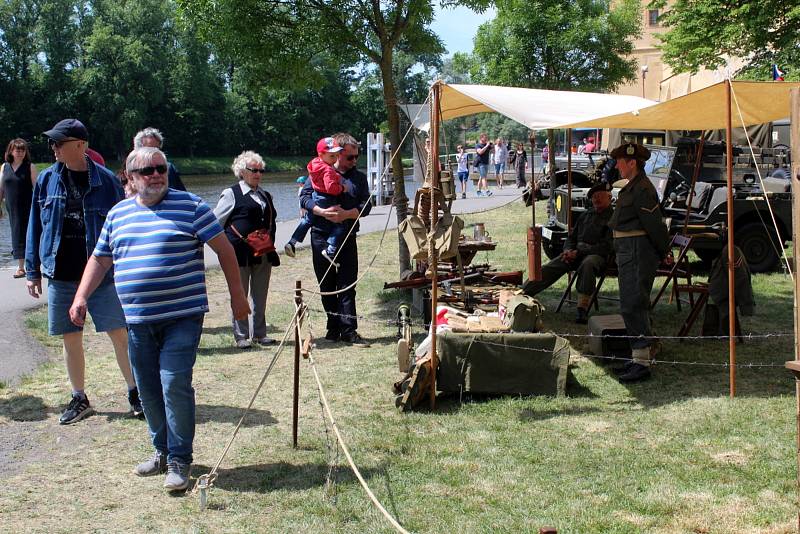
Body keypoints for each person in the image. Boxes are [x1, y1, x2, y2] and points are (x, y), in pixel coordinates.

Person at [68, 146, 249, 492]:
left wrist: (238, 296)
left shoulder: (192, 206)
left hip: (182, 316)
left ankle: (180, 459)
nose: (156, 174)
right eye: (147, 170)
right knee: (148, 390)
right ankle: (162, 451)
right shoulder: (118, 214)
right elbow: (100, 259)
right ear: (131, 178)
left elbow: (224, 249)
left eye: (160, 168)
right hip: (137, 320)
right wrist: (80, 297)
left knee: (173, 383)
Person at [26, 118, 140, 424]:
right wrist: (32, 270)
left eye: (58, 143)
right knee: (69, 337)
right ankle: (79, 397)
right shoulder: (47, 180)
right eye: (52, 143)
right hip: (60, 275)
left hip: (102, 277)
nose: (53, 148)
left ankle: (136, 393)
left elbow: (124, 228)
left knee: (119, 334)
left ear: (80, 145)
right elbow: (35, 225)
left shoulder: (107, 182)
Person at [299, 132, 371, 346]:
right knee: (327, 285)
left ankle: (349, 331)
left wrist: (347, 214)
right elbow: (304, 198)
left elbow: (366, 205)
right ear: (337, 154)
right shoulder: (318, 172)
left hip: (347, 236)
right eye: (350, 157)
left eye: (357, 156)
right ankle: (333, 328)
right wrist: (320, 211)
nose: (354, 161)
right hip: (320, 236)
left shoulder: (358, 177)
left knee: (348, 285)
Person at [608, 142, 671, 383]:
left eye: (620, 161)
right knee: (630, 303)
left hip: (636, 252)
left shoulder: (642, 189)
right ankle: (638, 356)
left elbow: (654, 224)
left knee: (633, 304)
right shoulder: (632, 187)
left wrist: (664, 250)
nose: (616, 165)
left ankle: (642, 361)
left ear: (632, 162)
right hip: (628, 251)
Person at [213, 151, 279, 349]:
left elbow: (272, 220)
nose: (258, 174)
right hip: (238, 254)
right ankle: (241, 336)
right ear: (242, 171)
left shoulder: (265, 195)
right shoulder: (231, 194)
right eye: (253, 170)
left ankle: (260, 334)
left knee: (260, 295)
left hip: (263, 252)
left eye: (260, 170)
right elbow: (215, 222)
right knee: (239, 294)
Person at [521, 183, 614, 324]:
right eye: (594, 197)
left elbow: (607, 246)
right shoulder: (586, 215)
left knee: (588, 264)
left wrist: (579, 252)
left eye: (600, 196)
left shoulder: (613, 218)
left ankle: (582, 309)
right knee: (553, 265)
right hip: (576, 254)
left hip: (599, 256)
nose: (596, 199)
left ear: (609, 197)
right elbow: (571, 237)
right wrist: (567, 251)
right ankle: (523, 293)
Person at [285, 137, 347, 261]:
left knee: (307, 220)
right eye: (331, 156)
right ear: (321, 154)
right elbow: (330, 188)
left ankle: (292, 241)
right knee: (340, 226)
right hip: (327, 199)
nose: (335, 159)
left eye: (336, 155)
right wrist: (342, 188)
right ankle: (330, 249)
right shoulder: (328, 169)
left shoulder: (314, 164)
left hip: (316, 196)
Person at [0, 138, 38, 278]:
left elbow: (37, 189)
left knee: (28, 235)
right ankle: (24, 266)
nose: (20, 152)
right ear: (11, 151)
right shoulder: (5, 167)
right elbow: (1, 188)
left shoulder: (30, 167)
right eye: (18, 150)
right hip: (12, 208)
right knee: (17, 235)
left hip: (28, 207)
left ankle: (25, 267)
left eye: (23, 150)